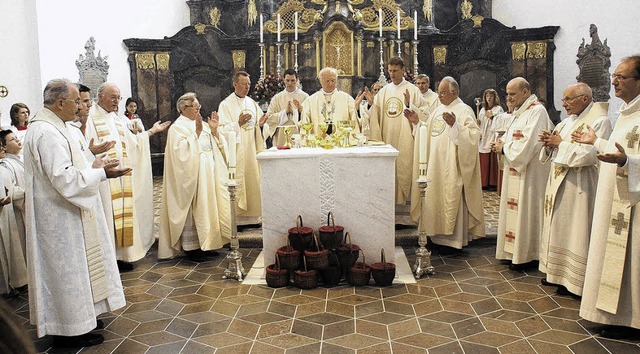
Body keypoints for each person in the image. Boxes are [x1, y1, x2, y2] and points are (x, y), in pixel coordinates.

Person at [23, 78, 128, 347]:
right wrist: (101, 173)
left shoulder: (58, 127)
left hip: (68, 211)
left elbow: (72, 166)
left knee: (78, 270)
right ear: (60, 103)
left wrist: (94, 164)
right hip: (58, 217)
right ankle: (68, 330)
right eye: (76, 102)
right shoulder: (46, 132)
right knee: (66, 272)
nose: (80, 107)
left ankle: (82, 320)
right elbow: (63, 178)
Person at [574, 55, 640, 339]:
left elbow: (627, 156)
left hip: (634, 203)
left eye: (622, 77)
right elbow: (619, 150)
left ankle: (632, 317)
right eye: (614, 75)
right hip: (614, 198)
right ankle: (614, 315)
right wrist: (597, 142)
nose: (614, 81)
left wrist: (629, 163)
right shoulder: (626, 113)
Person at [85, 83, 170, 272]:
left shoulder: (118, 119)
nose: (117, 102)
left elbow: (134, 142)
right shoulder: (91, 119)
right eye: (113, 97)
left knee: (123, 214)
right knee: (108, 214)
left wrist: (152, 132)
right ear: (100, 97)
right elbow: (86, 149)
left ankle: (123, 255)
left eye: (119, 97)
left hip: (122, 177)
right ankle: (109, 257)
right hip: (104, 178)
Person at [538, 83, 611, 299]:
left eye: (569, 99)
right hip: (558, 182)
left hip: (580, 186)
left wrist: (559, 144)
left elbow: (587, 156)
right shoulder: (565, 123)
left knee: (576, 232)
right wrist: (549, 145)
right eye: (564, 99)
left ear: (585, 99)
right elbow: (553, 150)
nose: (564, 104)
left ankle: (577, 282)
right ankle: (557, 274)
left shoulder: (599, 121)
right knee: (559, 229)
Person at [409, 76, 485, 250]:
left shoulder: (464, 110)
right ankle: (433, 236)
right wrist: (416, 123)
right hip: (434, 167)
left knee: (451, 198)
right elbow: (426, 132)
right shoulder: (437, 110)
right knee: (433, 198)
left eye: (443, 92)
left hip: (453, 166)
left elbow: (474, 137)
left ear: (454, 92)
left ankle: (453, 242)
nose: (440, 95)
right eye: (439, 92)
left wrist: (456, 127)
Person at [158, 93, 231, 261]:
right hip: (193, 177)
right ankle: (193, 248)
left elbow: (217, 146)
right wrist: (196, 134)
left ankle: (209, 243)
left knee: (210, 207)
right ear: (183, 108)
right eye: (194, 106)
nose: (198, 108)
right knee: (195, 209)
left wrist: (214, 131)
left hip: (209, 175)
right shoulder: (178, 127)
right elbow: (180, 154)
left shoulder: (204, 125)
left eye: (198, 105)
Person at [493, 77, 554, 271]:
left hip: (529, 175)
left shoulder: (537, 111)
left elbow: (528, 145)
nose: (508, 98)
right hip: (516, 172)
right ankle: (512, 252)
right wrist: (502, 145)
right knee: (514, 212)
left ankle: (528, 254)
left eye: (512, 94)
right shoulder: (519, 113)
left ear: (525, 93)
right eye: (507, 94)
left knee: (527, 211)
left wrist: (504, 148)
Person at [369, 57, 427, 225]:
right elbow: (375, 117)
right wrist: (372, 106)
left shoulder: (413, 90)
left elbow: (424, 113)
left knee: (405, 170)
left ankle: (406, 218)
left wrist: (410, 105)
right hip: (387, 140)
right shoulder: (384, 92)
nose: (392, 74)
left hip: (406, 140)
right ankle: (390, 216)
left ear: (403, 70)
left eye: (395, 70)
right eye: (390, 71)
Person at [218, 71, 265, 226]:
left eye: (249, 84)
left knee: (252, 180)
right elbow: (221, 130)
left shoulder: (252, 103)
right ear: (235, 84)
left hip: (251, 150)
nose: (247, 87)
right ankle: (238, 219)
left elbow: (258, 126)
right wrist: (237, 124)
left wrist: (262, 124)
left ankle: (253, 217)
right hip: (236, 152)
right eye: (244, 84)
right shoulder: (225, 104)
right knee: (239, 182)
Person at [0, 138, 27, 299]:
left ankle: (13, 283)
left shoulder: (4, 167)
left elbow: (10, 187)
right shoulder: (6, 165)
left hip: (8, 211)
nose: (2, 147)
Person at [301, 67, 358, 136]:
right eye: (327, 81)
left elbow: (355, 120)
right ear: (320, 81)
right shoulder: (310, 101)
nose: (330, 83)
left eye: (333, 80)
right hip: (318, 142)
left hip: (341, 142)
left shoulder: (347, 99)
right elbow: (305, 122)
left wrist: (357, 108)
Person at [264, 69, 309, 147]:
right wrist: (284, 113)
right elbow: (269, 118)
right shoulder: (277, 98)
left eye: (292, 80)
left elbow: (309, 117)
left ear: (297, 80)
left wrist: (299, 111)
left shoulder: (305, 97)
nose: (290, 83)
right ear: (284, 80)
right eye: (287, 80)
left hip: (299, 137)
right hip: (281, 137)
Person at [0, 131, 25, 254]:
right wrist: (30, 192)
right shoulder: (6, 165)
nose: (17, 140)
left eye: (16, 138)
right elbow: (11, 190)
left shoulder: (22, 159)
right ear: (4, 146)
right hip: (20, 213)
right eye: (12, 140)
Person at [478, 89, 504, 191]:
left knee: (492, 159)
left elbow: (500, 121)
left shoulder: (498, 109)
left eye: (491, 96)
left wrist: (492, 116)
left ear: (494, 97)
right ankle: (484, 182)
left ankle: (492, 183)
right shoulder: (481, 110)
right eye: (487, 96)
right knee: (484, 158)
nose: (489, 98)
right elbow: (481, 122)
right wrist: (478, 122)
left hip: (492, 135)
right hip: (484, 136)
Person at [491, 100, 515, 195]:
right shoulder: (502, 116)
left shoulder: (518, 116)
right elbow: (495, 128)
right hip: (502, 139)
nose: (509, 101)